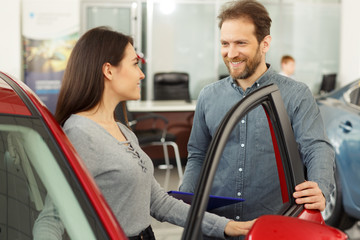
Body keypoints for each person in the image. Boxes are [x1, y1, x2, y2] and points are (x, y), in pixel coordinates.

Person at [33, 26, 255, 240]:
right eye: (134, 64)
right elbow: (52, 218)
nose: (141, 74)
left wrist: (224, 226)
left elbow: (158, 202)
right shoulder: (80, 133)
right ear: (108, 70)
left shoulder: (122, 130)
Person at [180, 1, 335, 239]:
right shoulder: (208, 96)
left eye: (241, 43)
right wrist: (186, 203)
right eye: (225, 43)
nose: (231, 53)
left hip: (274, 226)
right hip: (217, 227)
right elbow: (198, 154)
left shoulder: (295, 94)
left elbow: (316, 146)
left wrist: (321, 187)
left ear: (265, 44)